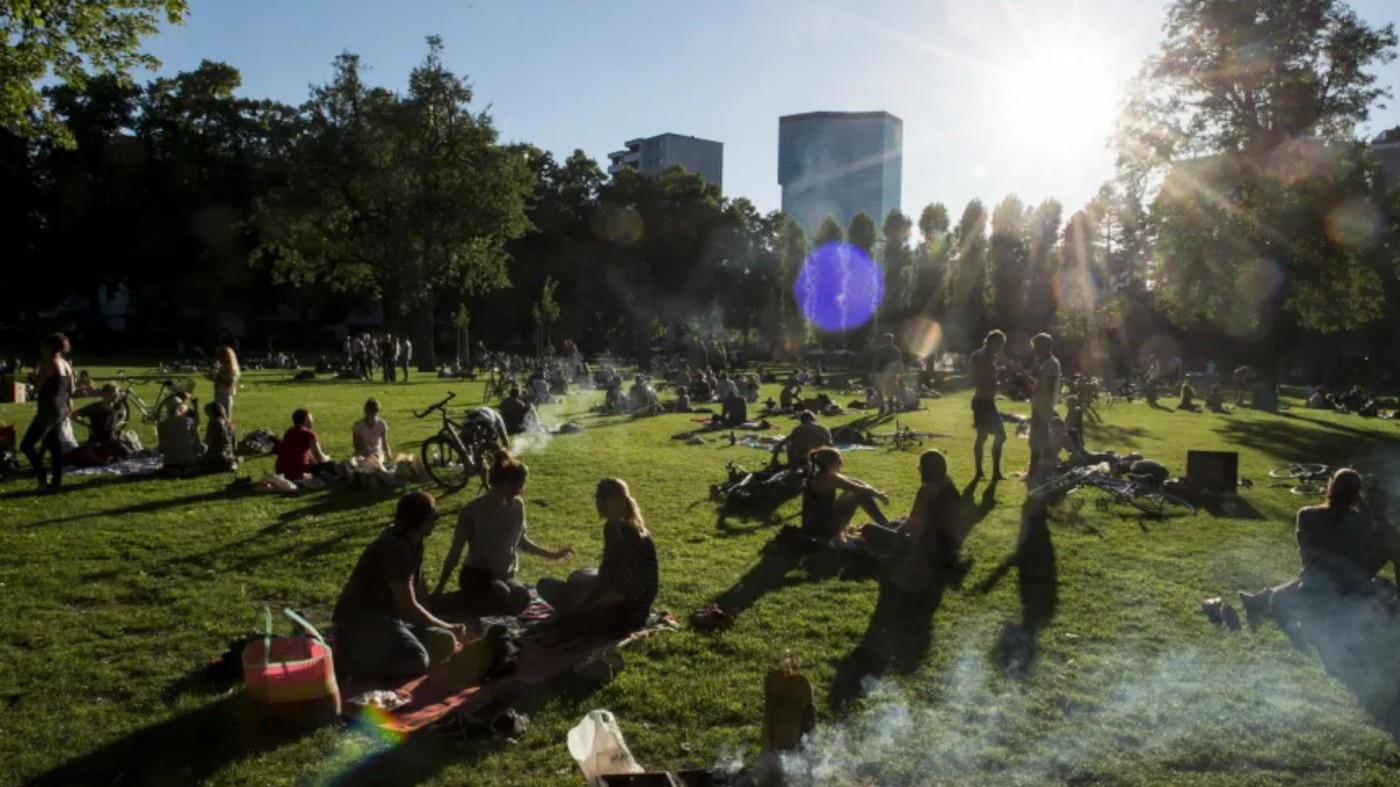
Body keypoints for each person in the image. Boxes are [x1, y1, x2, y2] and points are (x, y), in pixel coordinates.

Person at [1239, 470, 1400, 635]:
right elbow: (1370, 521)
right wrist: (1358, 500)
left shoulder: (1305, 514)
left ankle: (1263, 599)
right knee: (1386, 587)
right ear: (1357, 495)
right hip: (1345, 591)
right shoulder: (1364, 521)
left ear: (1330, 487)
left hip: (1310, 584)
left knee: (1321, 572)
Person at [333, 491, 467, 679]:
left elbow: (418, 589)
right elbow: (407, 606)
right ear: (421, 521)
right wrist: (446, 625)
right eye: (435, 516)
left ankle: (383, 653)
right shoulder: (393, 548)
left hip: (392, 620)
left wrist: (436, 625)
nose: (437, 522)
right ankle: (347, 664)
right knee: (416, 659)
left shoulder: (415, 542)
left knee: (444, 641)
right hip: (361, 621)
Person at [432, 452, 573, 616]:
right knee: (502, 601)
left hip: (506, 575)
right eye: (519, 486)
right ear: (504, 484)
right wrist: (440, 587)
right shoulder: (472, 510)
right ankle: (463, 597)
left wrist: (554, 555)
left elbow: (521, 541)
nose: (521, 492)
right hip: (479, 574)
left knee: (522, 598)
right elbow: (455, 552)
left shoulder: (517, 506)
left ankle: (476, 599)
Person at [537, 478, 659, 638]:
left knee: (567, 625)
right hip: (609, 593)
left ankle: (575, 613)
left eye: (600, 500)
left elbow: (622, 592)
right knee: (546, 585)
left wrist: (589, 606)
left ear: (612, 502)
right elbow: (605, 572)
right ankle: (573, 607)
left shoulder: (631, 534)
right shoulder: (610, 528)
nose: (597, 504)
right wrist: (584, 601)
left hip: (629, 608)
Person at [801, 447, 890, 546]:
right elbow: (859, 488)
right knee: (859, 494)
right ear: (829, 464)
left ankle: (886, 524)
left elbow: (855, 482)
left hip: (815, 524)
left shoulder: (821, 474)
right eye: (838, 461)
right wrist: (880, 495)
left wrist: (877, 492)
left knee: (857, 489)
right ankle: (886, 526)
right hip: (822, 529)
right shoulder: (828, 478)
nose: (841, 464)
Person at [20, 333, 74, 493]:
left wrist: (33, 379)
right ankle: (56, 481)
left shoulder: (47, 364)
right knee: (54, 446)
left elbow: (36, 388)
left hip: (48, 410)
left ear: (49, 347)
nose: (41, 349)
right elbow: (72, 389)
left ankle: (42, 479)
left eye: (43, 346)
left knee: (26, 445)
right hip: (62, 409)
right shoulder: (66, 364)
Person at [969, 330, 1008, 480]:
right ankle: (992, 472)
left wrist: (996, 372)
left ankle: (982, 471)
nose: (1000, 348)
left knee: (983, 436)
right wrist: (1000, 379)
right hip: (984, 403)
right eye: (1000, 344)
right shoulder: (985, 357)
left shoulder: (979, 355)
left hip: (983, 401)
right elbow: (987, 380)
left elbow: (978, 375)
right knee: (999, 436)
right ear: (992, 342)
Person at [1025, 333, 1061, 481]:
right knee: (1037, 440)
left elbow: (1048, 390)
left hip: (1043, 409)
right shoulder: (1044, 363)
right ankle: (1037, 469)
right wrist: (1022, 372)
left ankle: (1039, 471)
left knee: (1040, 440)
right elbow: (1036, 387)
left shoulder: (1051, 364)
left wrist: (1043, 412)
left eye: (1036, 346)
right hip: (1039, 407)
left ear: (1045, 346)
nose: (1034, 349)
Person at [73, 383, 129, 463]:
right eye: (113, 393)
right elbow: (74, 415)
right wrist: (88, 426)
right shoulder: (95, 408)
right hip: (97, 442)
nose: (116, 396)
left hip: (112, 441)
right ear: (104, 394)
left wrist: (117, 427)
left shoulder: (118, 407)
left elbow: (122, 416)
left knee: (126, 454)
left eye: (117, 393)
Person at [276, 409, 334, 480]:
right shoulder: (309, 434)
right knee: (331, 466)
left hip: (281, 471)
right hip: (299, 472)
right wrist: (327, 458)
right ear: (306, 419)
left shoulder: (289, 431)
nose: (312, 420)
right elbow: (320, 458)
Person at [158, 394, 205, 470]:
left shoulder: (162, 424)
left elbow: (161, 446)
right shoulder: (189, 421)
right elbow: (197, 441)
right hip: (189, 460)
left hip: (170, 462)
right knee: (204, 446)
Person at [353, 397, 392, 465]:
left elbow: (385, 442)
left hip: (377, 453)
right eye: (370, 413)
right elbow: (356, 444)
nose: (372, 416)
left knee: (374, 463)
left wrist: (388, 453)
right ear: (366, 412)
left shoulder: (382, 424)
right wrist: (364, 449)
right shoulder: (358, 425)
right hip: (362, 453)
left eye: (374, 413)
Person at [872, 334, 904, 414]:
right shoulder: (896, 350)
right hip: (891, 372)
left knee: (880, 389)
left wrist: (874, 372)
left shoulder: (880, 350)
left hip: (882, 372)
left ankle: (883, 406)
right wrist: (900, 372)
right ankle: (890, 406)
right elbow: (899, 362)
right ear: (892, 340)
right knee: (890, 389)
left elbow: (876, 362)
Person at [202, 401, 237, 472]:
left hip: (217, 453)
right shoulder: (228, 422)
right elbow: (233, 441)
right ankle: (231, 464)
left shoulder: (213, 423)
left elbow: (208, 441)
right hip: (230, 453)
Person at [208, 346, 240, 421]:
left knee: (225, 419)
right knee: (217, 417)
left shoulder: (232, 369)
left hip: (225, 395)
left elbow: (228, 383)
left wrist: (215, 380)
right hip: (218, 394)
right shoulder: (222, 367)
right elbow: (215, 376)